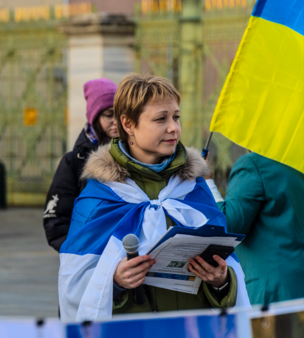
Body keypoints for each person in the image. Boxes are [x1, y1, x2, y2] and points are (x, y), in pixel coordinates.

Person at [58, 73, 250, 322]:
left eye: (176, 117)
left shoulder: (194, 188)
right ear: (128, 124)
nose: (173, 127)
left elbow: (228, 269)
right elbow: (74, 284)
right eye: (161, 118)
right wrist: (115, 281)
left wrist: (222, 281)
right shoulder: (98, 197)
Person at [205, 151, 304, 305]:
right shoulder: (297, 163)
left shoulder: (255, 164)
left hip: (271, 293)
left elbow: (228, 226)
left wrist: (207, 182)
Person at [44, 78, 119, 251]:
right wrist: (80, 253)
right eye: (109, 114)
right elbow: (55, 222)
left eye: (120, 113)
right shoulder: (74, 161)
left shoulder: (136, 154)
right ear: (95, 117)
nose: (116, 121)